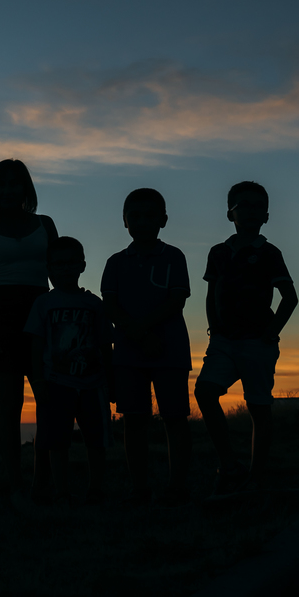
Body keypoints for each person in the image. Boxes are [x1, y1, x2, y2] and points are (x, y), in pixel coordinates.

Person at [194, 181, 298, 494]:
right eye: (244, 205)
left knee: (258, 407)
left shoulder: (269, 253)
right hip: (224, 342)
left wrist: (270, 333)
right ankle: (228, 466)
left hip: (257, 343)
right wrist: (214, 329)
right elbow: (211, 295)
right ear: (230, 214)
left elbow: (290, 297)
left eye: (257, 206)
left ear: (266, 215)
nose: (251, 211)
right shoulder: (219, 253)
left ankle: (255, 478)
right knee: (205, 392)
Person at [0, 159, 59, 496]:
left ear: (25, 188)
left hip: (44, 314)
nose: (7, 191)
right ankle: (16, 481)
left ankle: (42, 477)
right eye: (0, 185)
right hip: (2, 317)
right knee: (9, 405)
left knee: (47, 401)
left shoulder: (44, 224)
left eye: (14, 183)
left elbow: (60, 271)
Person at [100, 188, 192, 505]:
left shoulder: (174, 257)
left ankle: (177, 487)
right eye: (135, 216)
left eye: (150, 215)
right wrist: (137, 334)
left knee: (175, 418)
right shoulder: (115, 263)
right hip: (128, 354)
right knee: (134, 420)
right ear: (125, 221)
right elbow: (109, 305)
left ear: (163, 220)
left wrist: (142, 330)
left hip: (171, 351)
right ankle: (140, 488)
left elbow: (176, 300)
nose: (142, 221)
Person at [25, 236, 113, 504]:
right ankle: (61, 491)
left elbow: (105, 343)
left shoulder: (94, 304)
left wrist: (111, 379)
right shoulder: (43, 303)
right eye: (58, 264)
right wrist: (38, 382)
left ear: (82, 266)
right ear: (48, 269)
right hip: (56, 382)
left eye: (70, 263)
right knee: (57, 441)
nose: (64, 269)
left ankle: (95, 489)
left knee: (96, 441)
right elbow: (34, 344)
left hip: (92, 382)